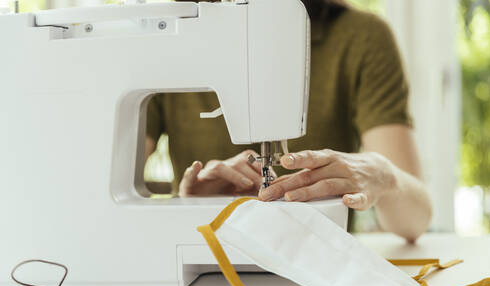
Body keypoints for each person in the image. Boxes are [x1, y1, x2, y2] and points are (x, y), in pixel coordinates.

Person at [146, 0, 432, 243]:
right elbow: (103, 202)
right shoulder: (165, 41)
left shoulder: (360, 37)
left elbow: (414, 221)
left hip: (321, 271)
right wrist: (186, 207)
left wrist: (384, 175)